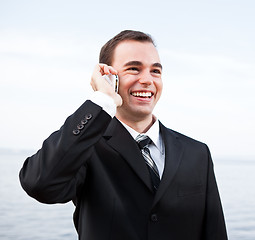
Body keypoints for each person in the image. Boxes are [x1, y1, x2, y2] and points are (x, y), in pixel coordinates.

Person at [19, 30, 227, 240]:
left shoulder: (197, 153)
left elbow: (214, 232)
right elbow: (40, 184)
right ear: (109, 77)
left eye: (155, 71)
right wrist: (102, 99)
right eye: (133, 69)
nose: (147, 79)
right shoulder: (87, 147)